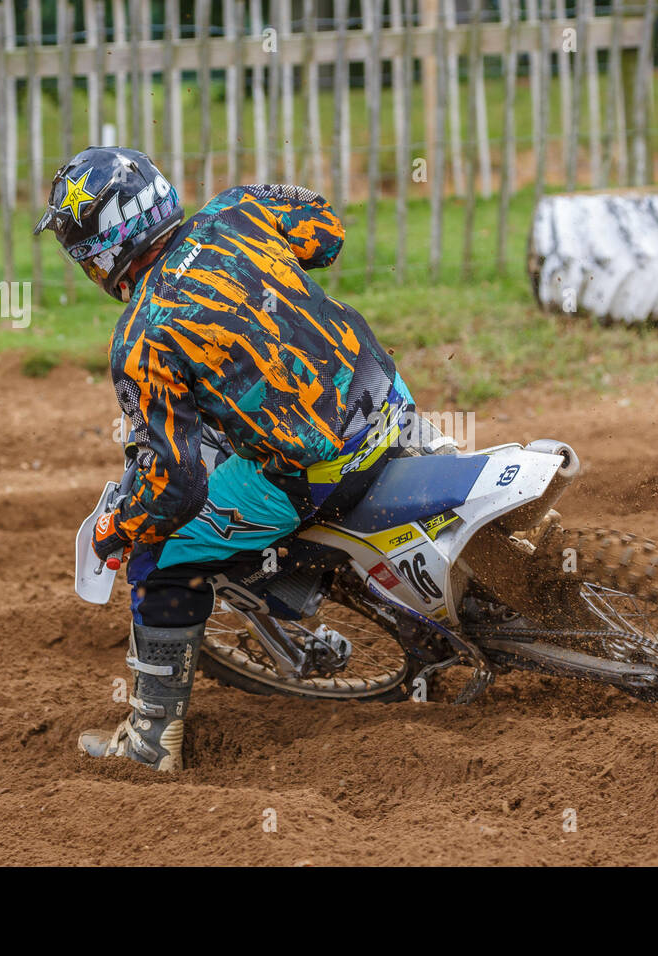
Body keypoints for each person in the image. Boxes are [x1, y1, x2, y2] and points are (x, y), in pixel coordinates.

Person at [33, 147, 414, 770]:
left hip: (318, 472)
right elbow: (326, 231)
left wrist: (114, 528)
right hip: (388, 405)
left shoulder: (141, 335)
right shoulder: (238, 209)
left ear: (95, 251)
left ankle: (152, 742)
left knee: (159, 553)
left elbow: (173, 487)